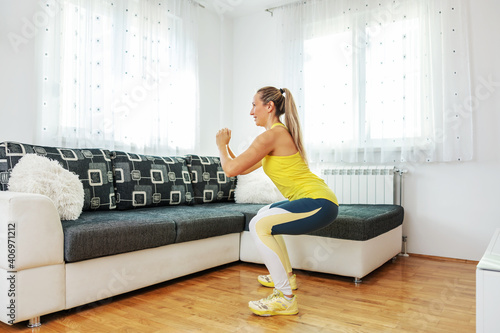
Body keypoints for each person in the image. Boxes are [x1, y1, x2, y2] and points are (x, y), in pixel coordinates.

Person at [215, 86, 338, 316]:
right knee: (265, 214)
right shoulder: (276, 135)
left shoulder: (271, 136)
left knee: (257, 225)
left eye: (254, 105)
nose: (251, 112)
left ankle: (285, 298)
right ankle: (287, 278)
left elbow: (230, 169)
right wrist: (228, 148)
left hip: (319, 202)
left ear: (269, 106)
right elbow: (241, 168)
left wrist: (220, 145)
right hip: (317, 199)